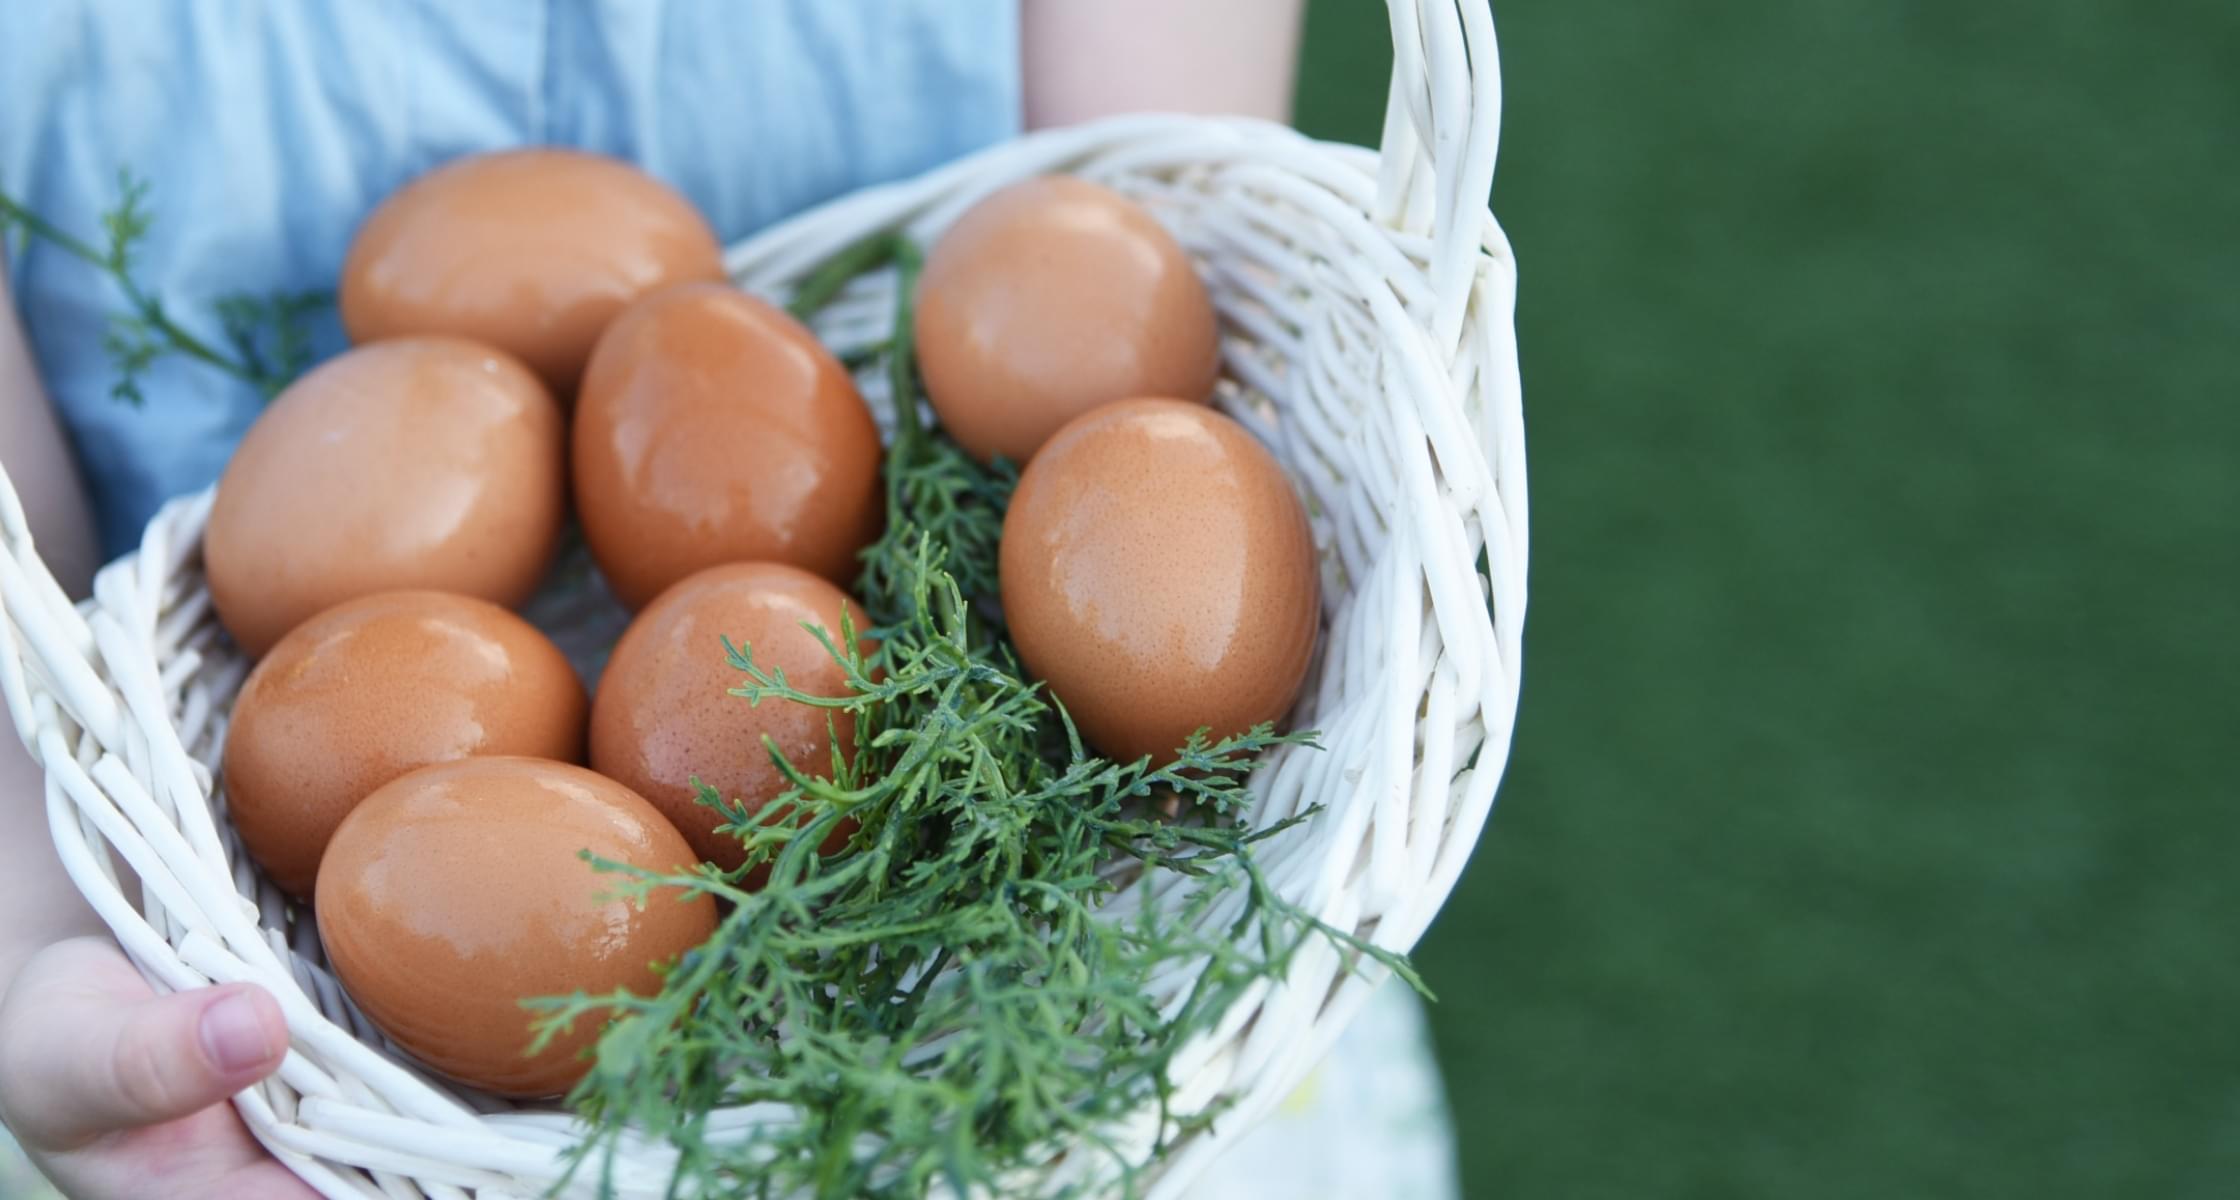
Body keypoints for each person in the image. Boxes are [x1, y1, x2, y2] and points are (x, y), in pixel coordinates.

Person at [0, 5, 1457, 1198]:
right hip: (193, 826)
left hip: (1110, 901)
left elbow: (1111, 256)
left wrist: (1107, 305)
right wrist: (48, 912)